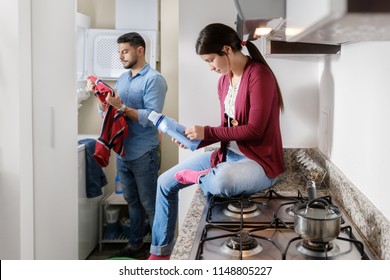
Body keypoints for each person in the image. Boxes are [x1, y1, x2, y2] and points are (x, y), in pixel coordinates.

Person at [148, 23, 285, 260]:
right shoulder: (224, 81)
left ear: (226, 50)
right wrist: (196, 139)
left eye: (211, 60)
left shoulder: (259, 75)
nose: (210, 67)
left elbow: (254, 130)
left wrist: (207, 132)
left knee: (222, 180)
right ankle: (160, 254)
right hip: (226, 155)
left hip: (259, 162)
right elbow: (230, 129)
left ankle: (201, 178)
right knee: (164, 182)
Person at [89, 32, 167, 259]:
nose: (121, 56)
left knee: (150, 205)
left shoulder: (154, 80)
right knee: (132, 202)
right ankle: (135, 245)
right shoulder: (122, 79)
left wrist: (121, 107)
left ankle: (160, 251)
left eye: (125, 51)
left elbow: (153, 116)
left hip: (144, 153)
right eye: (119, 52)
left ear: (139, 50)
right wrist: (102, 102)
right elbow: (111, 111)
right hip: (122, 152)